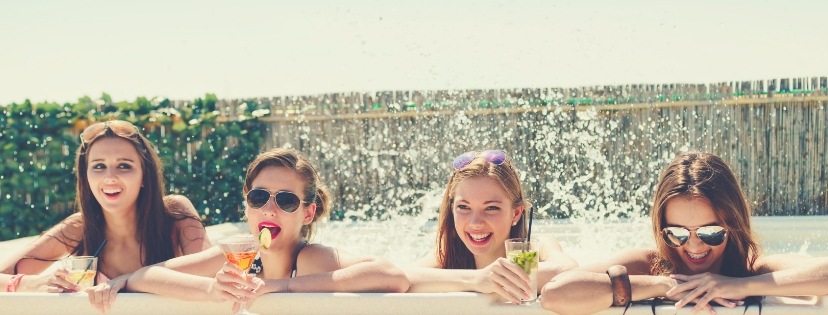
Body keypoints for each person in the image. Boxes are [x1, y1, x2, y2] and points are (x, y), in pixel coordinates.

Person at [541, 151, 828, 315]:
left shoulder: (752, 268)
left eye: (711, 232)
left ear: (733, 223)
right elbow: (555, 293)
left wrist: (738, 286)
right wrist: (662, 286)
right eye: (676, 233)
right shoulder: (648, 264)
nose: (693, 245)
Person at [124, 148, 409, 311]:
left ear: (308, 212)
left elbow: (393, 276)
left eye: (286, 200)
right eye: (259, 197)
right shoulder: (239, 256)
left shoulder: (310, 260)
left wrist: (282, 287)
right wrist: (212, 288)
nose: (269, 210)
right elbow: (146, 275)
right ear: (247, 203)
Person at [0, 120, 211, 312]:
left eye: (124, 166)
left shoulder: (174, 214)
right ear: (86, 176)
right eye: (99, 166)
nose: (110, 177)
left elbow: (215, 273)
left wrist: (133, 280)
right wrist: (33, 283)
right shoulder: (78, 229)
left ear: (144, 176)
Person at [406, 150, 578, 304]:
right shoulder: (447, 249)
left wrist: (498, 277)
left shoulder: (538, 248)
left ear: (516, 213)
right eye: (463, 207)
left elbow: (568, 270)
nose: (475, 223)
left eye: (491, 208)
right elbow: (403, 278)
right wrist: (477, 279)